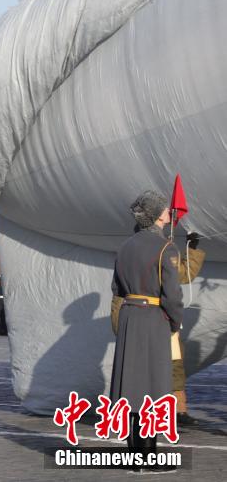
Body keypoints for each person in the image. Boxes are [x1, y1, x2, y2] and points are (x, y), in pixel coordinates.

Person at [110, 190, 183, 472]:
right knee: (152, 387)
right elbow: (173, 296)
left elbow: (116, 288)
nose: (169, 212)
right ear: (157, 215)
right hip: (154, 318)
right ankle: (148, 457)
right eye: (165, 209)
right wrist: (174, 322)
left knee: (132, 387)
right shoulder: (166, 247)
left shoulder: (125, 246)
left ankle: (134, 457)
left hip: (129, 316)